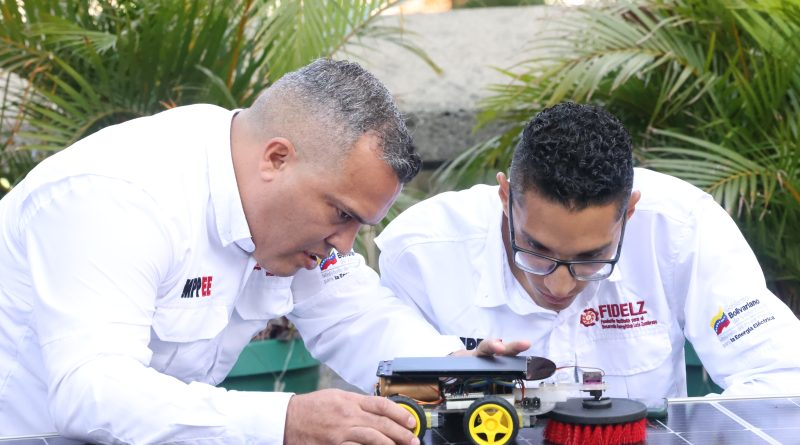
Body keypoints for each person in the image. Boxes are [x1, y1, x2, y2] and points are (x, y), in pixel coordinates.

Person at [0, 58, 525, 444]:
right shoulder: (116, 196)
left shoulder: (286, 209)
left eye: (359, 225)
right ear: (277, 158)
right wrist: (287, 421)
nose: (342, 245)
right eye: (342, 215)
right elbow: (92, 391)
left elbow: (357, 315)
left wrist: (455, 372)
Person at [375, 102, 800, 404]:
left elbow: (783, 375)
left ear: (629, 213)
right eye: (536, 249)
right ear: (505, 198)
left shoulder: (682, 228)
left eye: (592, 257)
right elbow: (393, 401)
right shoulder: (418, 253)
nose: (559, 285)